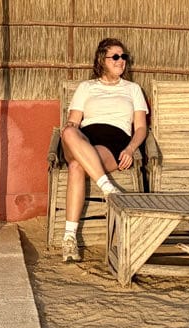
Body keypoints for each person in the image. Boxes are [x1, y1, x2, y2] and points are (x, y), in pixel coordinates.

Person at [58, 37, 148, 262]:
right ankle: (108, 188)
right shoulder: (86, 87)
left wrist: (130, 149)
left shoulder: (133, 89)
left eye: (123, 57)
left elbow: (140, 128)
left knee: (77, 166)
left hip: (113, 144)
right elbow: (73, 122)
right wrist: (75, 137)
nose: (121, 61)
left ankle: (69, 239)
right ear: (102, 60)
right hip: (83, 138)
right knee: (68, 131)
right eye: (115, 57)